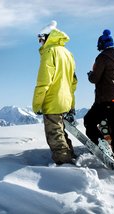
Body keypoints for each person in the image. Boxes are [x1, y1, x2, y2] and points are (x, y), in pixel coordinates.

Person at [32, 20, 78, 165]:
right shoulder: (67, 53)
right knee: (60, 131)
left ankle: (65, 165)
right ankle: (71, 156)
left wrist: (37, 105)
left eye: (40, 39)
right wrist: (71, 104)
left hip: (52, 101)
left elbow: (44, 82)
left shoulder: (49, 52)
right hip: (65, 100)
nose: (40, 43)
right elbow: (73, 81)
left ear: (47, 37)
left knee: (54, 135)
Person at [84, 29, 114, 162]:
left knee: (89, 122)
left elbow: (95, 78)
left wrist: (90, 74)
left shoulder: (102, 57)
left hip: (107, 98)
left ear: (102, 44)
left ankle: (103, 147)